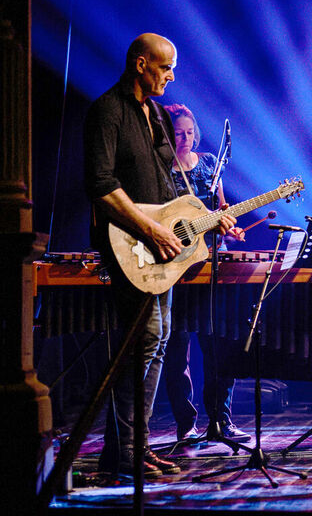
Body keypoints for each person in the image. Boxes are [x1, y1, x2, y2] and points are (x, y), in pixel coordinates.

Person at [84, 33, 241, 477]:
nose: (171, 76)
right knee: (146, 342)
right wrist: (150, 229)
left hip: (161, 248)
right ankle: (127, 453)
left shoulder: (153, 114)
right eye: (165, 67)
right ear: (141, 64)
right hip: (130, 244)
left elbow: (168, 187)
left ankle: (129, 449)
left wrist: (207, 218)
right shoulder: (107, 111)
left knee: (156, 342)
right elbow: (100, 184)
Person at [162, 104, 249, 444]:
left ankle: (221, 421)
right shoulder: (161, 168)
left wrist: (230, 227)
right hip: (178, 266)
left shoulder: (211, 163)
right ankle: (186, 424)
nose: (184, 138)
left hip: (214, 263)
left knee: (219, 345)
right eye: (177, 133)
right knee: (177, 350)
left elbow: (222, 209)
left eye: (189, 132)